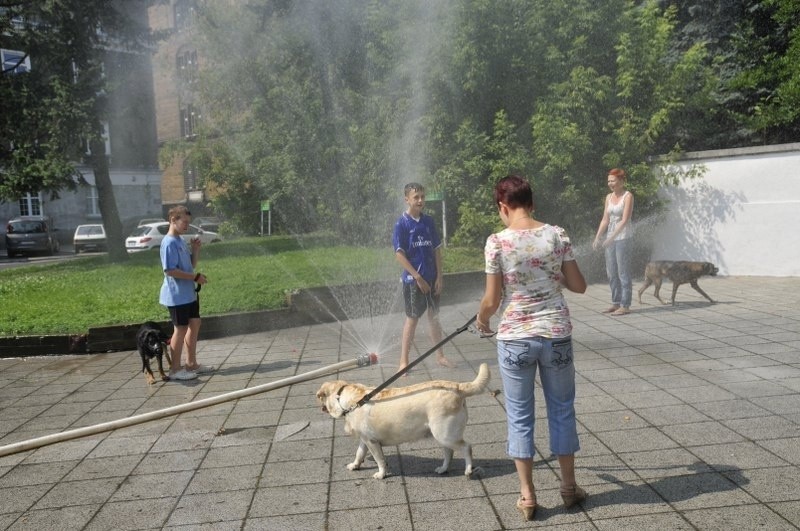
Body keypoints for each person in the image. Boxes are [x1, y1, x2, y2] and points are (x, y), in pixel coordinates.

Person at [476, 175, 587, 520]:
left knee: (520, 416)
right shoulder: (557, 235)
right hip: (555, 334)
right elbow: (579, 286)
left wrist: (482, 319)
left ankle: (527, 496)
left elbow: (492, 300)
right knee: (562, 409)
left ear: (502, 206)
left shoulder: (497, 242)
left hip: (515, 339)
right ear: (532, 202)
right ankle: (569, 488)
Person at [392, 182, 455, 373]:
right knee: (412, 319)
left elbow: (436, 250)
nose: (420, 200)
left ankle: (440, 355)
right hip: (413, 282)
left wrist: (439, 277)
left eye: (422, 197)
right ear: (407, 199)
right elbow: (399, 254)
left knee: (434, 317)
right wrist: (417, 277)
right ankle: (403, 361)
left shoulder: (428, 221)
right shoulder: (401, 224)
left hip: (432, 279)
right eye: (416, 197)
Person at [159, 205, 211, 380]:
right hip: (176, 296)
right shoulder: (169, 242)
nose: (187, 225)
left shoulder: (179, 240)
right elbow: (170, 271)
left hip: (188, 294)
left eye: (189, 222)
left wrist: (195, 250)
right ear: (173, 220)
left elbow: (191, 265)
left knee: (195, 323)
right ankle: (175, 370)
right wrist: (195, 277)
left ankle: (191, 363)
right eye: (185, 222)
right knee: (180, 329)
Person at [593, 168, 634, 315]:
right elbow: (605, 219)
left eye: (613, 181)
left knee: (623, 272)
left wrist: (610, 238)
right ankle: (616, 303)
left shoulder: (628, 196)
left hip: (623, 238)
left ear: (622, 181)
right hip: (610, 239)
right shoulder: (608, 197)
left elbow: (624, 220)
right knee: (611, 272)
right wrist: (598, 237)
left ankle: (625, 305)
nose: (610, 183)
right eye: (609, 181)